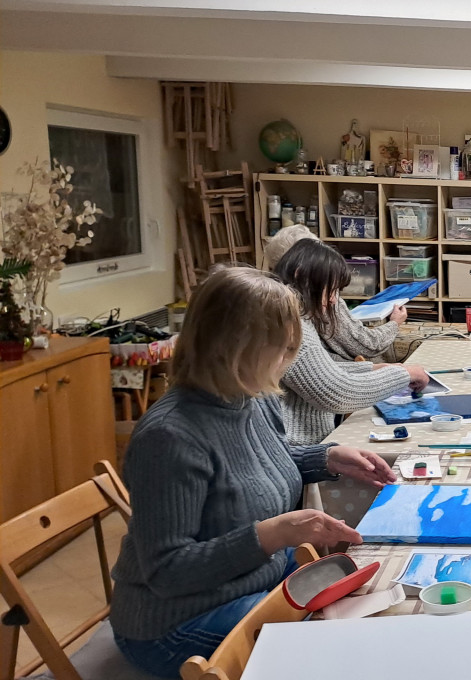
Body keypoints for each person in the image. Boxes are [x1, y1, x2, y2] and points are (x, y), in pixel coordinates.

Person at [111, 266, 395, 678]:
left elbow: (256, 464)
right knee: (337, 651)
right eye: (284, 349)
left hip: (258, 580)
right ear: (236, 348)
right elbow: (167, 572)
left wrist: (326, 458)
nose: (290, 360)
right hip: (174, 620)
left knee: (372, 601)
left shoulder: (252, 396)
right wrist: (271, 535)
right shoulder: (169, 437)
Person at [274, 240, 430, 444]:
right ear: (300, 276)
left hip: (306, 446)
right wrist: (403, 375)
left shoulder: (295, 317)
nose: (333, 300)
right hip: (298, 447)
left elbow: (316, 369)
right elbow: (337, 393)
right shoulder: (293, 329)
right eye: (330, 290)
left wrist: (372, 369)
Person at [264, 224, 407, 361]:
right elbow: (367, 345)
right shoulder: (316, 301)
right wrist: (394, 323)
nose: (332, 299)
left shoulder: (279, 298)